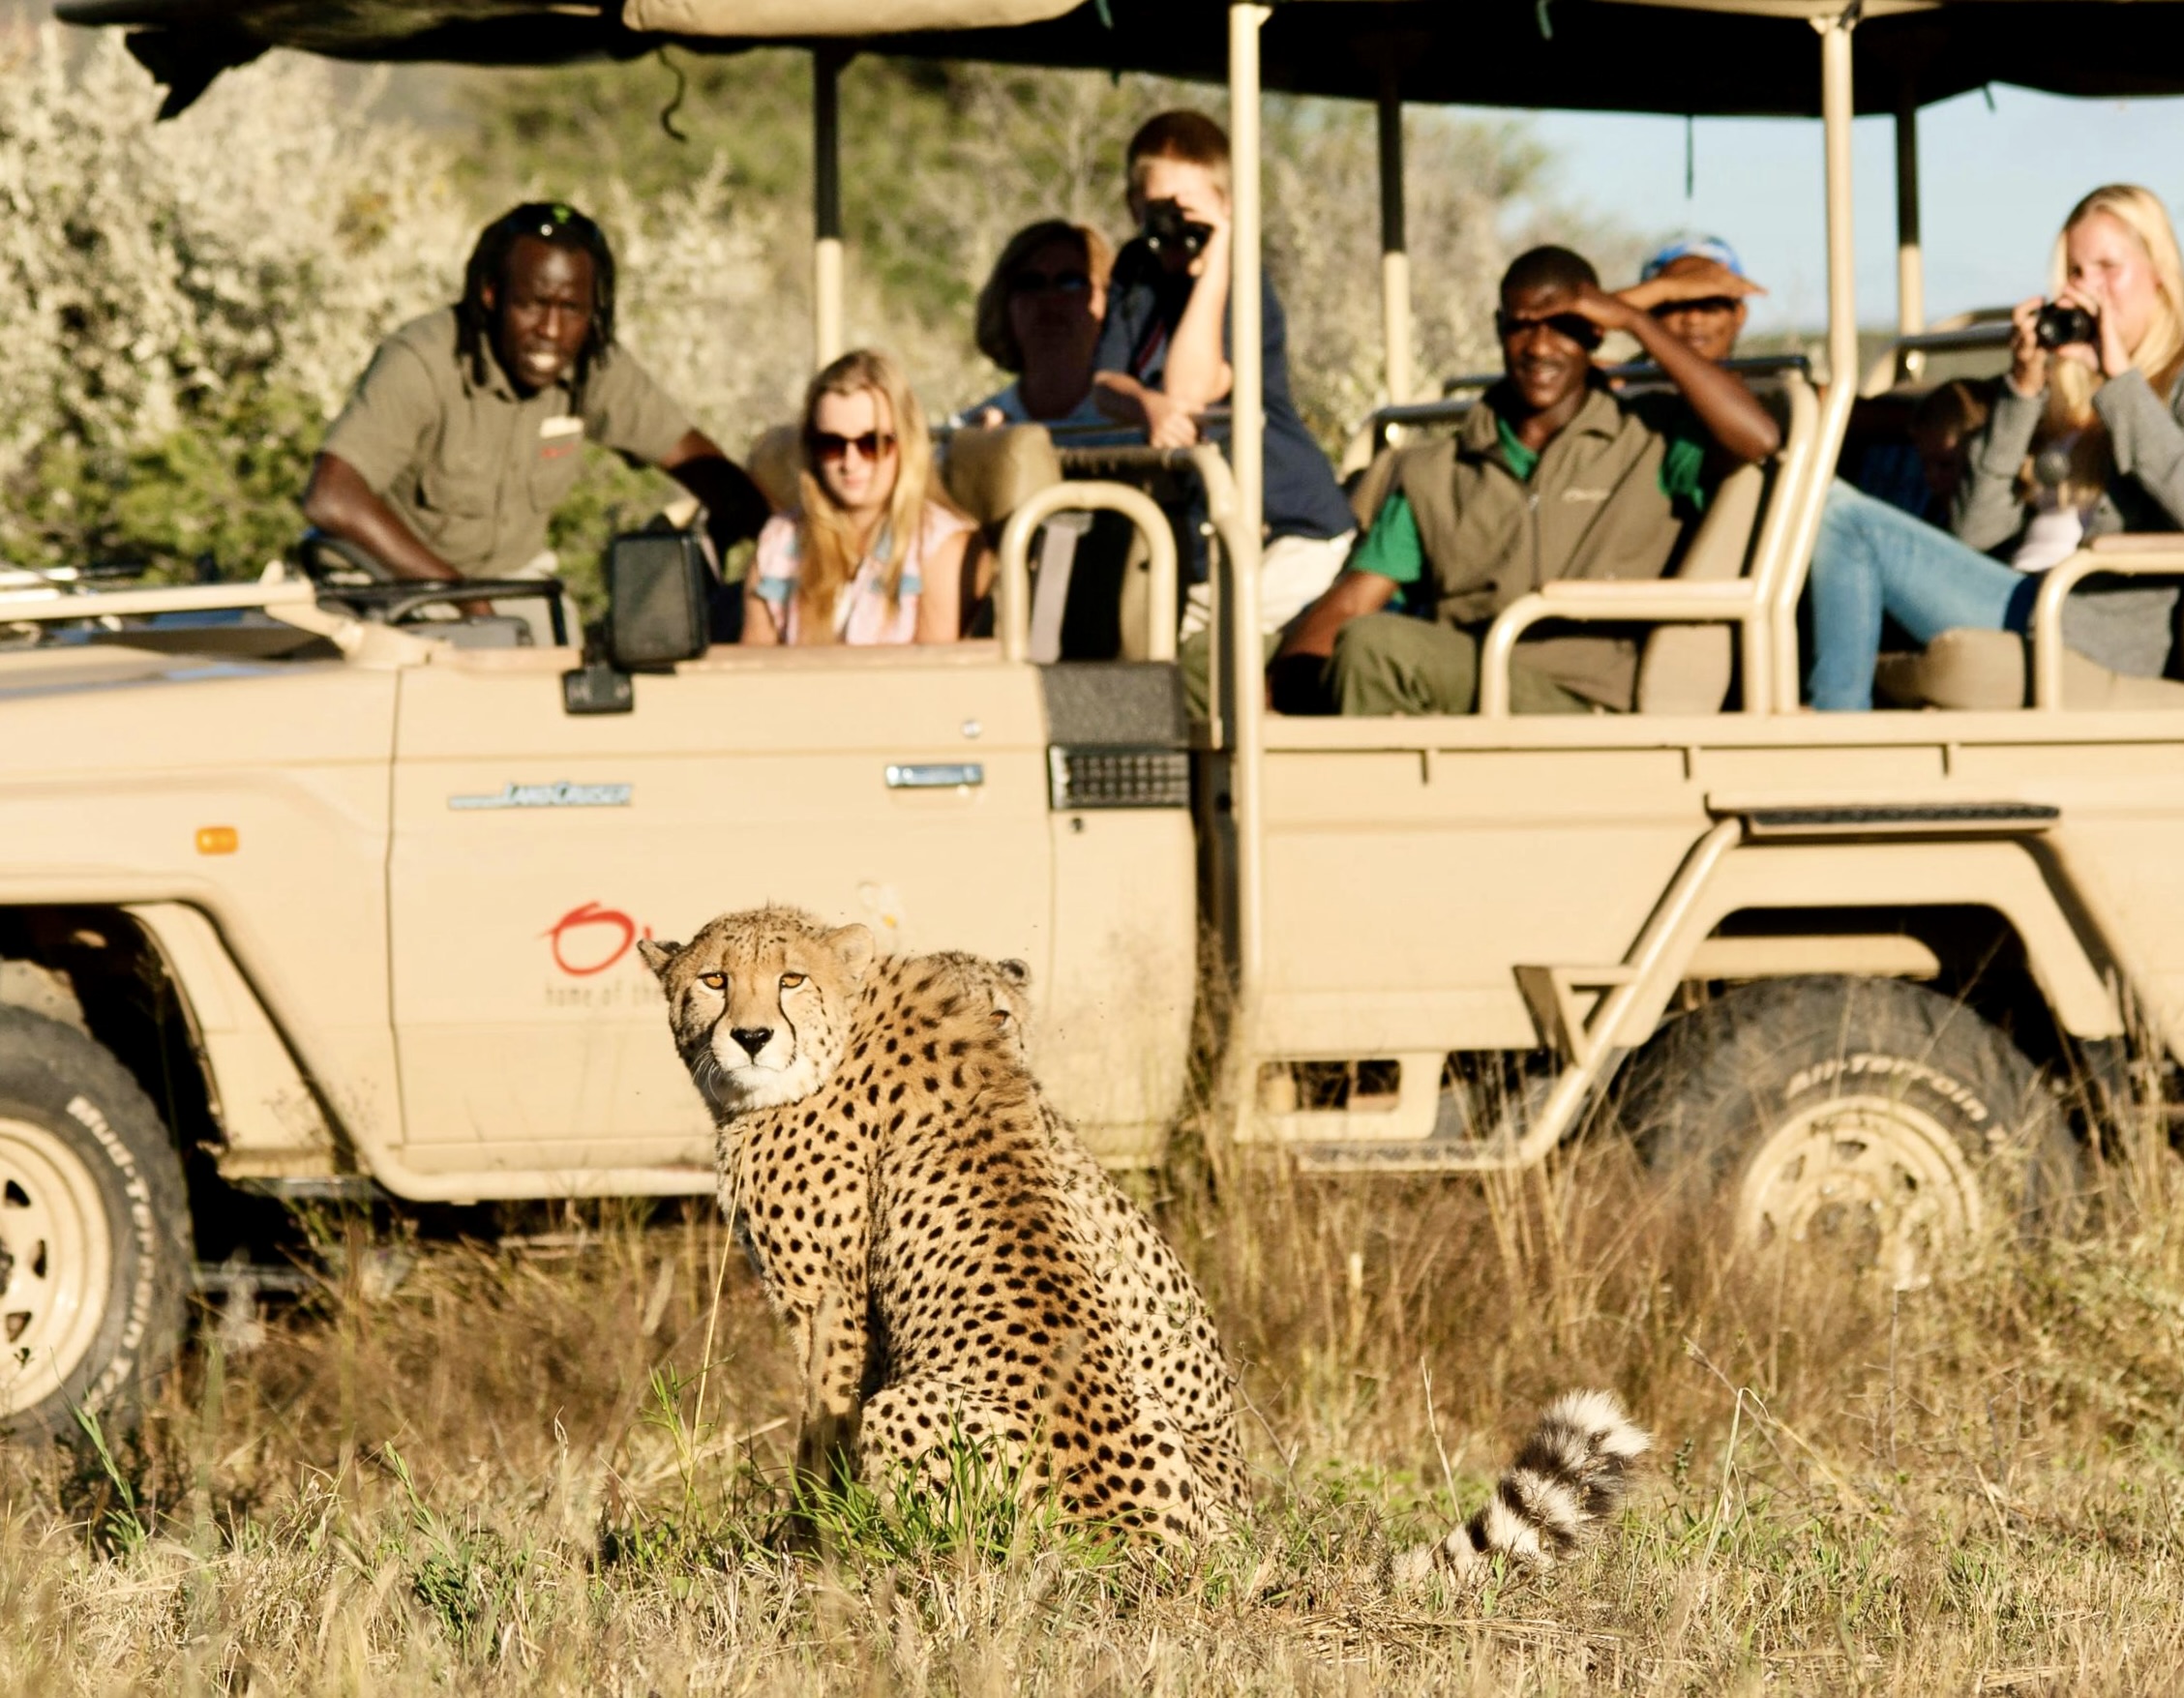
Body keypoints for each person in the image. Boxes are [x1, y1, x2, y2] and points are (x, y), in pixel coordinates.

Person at [1270, 246, 1781, 716]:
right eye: (1522, 327)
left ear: (1596, 331)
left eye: (1563, 326)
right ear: (1499, 328)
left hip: (1582, 696)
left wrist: (1637, 321)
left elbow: (1757, 438)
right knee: (1217, 662)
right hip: (1470, 677)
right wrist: (1270, 687)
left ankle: (1364, 811)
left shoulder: (1651, 440)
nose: (1540, 347)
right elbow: (1356, 597)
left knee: (1375, 648)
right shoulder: (1438, 469)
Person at [1806, 184, 2184, 711]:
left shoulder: (2172, 383)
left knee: (1841, 519)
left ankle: (1835, 736)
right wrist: (2023, 388)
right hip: (2018, 596)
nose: (2090, 290)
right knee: (1821, 502)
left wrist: (2121, 378)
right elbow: (1975, 530)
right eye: (2077, 272)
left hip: (2084, 625)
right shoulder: (2066, 390)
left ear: (2158, 272)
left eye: (2107, 268)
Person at [302, 202, 768, 629]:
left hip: (516, 588)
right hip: (388, 589)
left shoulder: (592, 364)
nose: (551, 331)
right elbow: (333, 498)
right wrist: (464, 598)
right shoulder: (422, 360)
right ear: (490, 294)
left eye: (571, 309)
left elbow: (697, 463)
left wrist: (788, 549)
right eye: (531, 304)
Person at [1092, 110, 1359, 644]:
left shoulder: (1242, 281)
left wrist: (1216, 259)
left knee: (1201, 659)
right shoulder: (1135, 269)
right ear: (1134, 207)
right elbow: (1104, 384)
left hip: (1288, 531)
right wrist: (1145, 404)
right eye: (1158, 210)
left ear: (1227, 205)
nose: (1173, 227)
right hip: (1207, 537)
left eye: (1186, 209)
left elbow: (1192, 391)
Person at [741, 348, 983, 646]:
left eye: (872, 444)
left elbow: (938, 679)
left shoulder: (941, 548)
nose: (850, 462)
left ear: (906, 441)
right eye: (831, 444)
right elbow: (751, 667)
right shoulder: (779, 541)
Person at [960, 221, 1115, 432]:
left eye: (1071, 282)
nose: (1051, 299)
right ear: (1004, 303)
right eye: (1031, 283)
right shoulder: (975, 430)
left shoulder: (1138, 425)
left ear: (1110, 297)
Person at [1615, 234, 1764, 367]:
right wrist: (1666, 289)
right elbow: (1595, 314)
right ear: (1649, 313)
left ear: (1739, 315)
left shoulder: (1766, 388)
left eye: (1710, 306)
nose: (1693, 319)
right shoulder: (1618, 389)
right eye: (1675, 305)